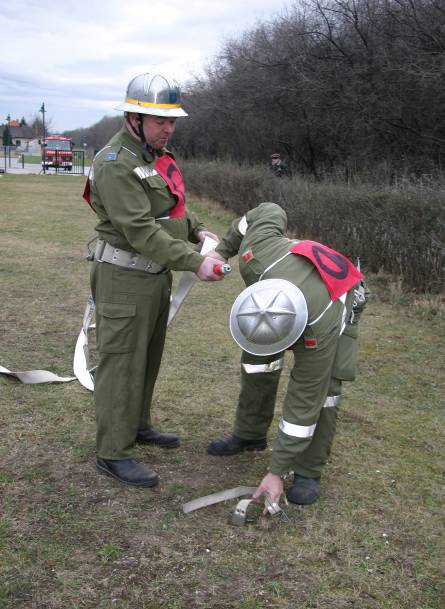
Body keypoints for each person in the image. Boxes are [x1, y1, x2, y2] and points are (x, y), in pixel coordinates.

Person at [84, 72, 225, 488]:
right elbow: (141, 230)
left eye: (172, 121)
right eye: (159, 120)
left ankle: (137, 425)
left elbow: (172, 208)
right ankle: (112, 452)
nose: (169, 128)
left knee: (145, 360)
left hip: (153, 278)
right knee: (121, 364)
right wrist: (192, 262)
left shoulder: (153, 158)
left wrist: (197, 230)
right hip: (124, 277)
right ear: (134, 118)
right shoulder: (116, 163)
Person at [207, 202, 367, 508]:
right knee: (258, 362)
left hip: (344, 294)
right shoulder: (256, 256)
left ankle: (308, 470)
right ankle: (250, 433)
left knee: (325, 391)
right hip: (295, 280)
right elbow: (269, 209)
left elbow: (304, 398)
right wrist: (222, 250)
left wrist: (276, 470)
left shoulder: (319, 327)